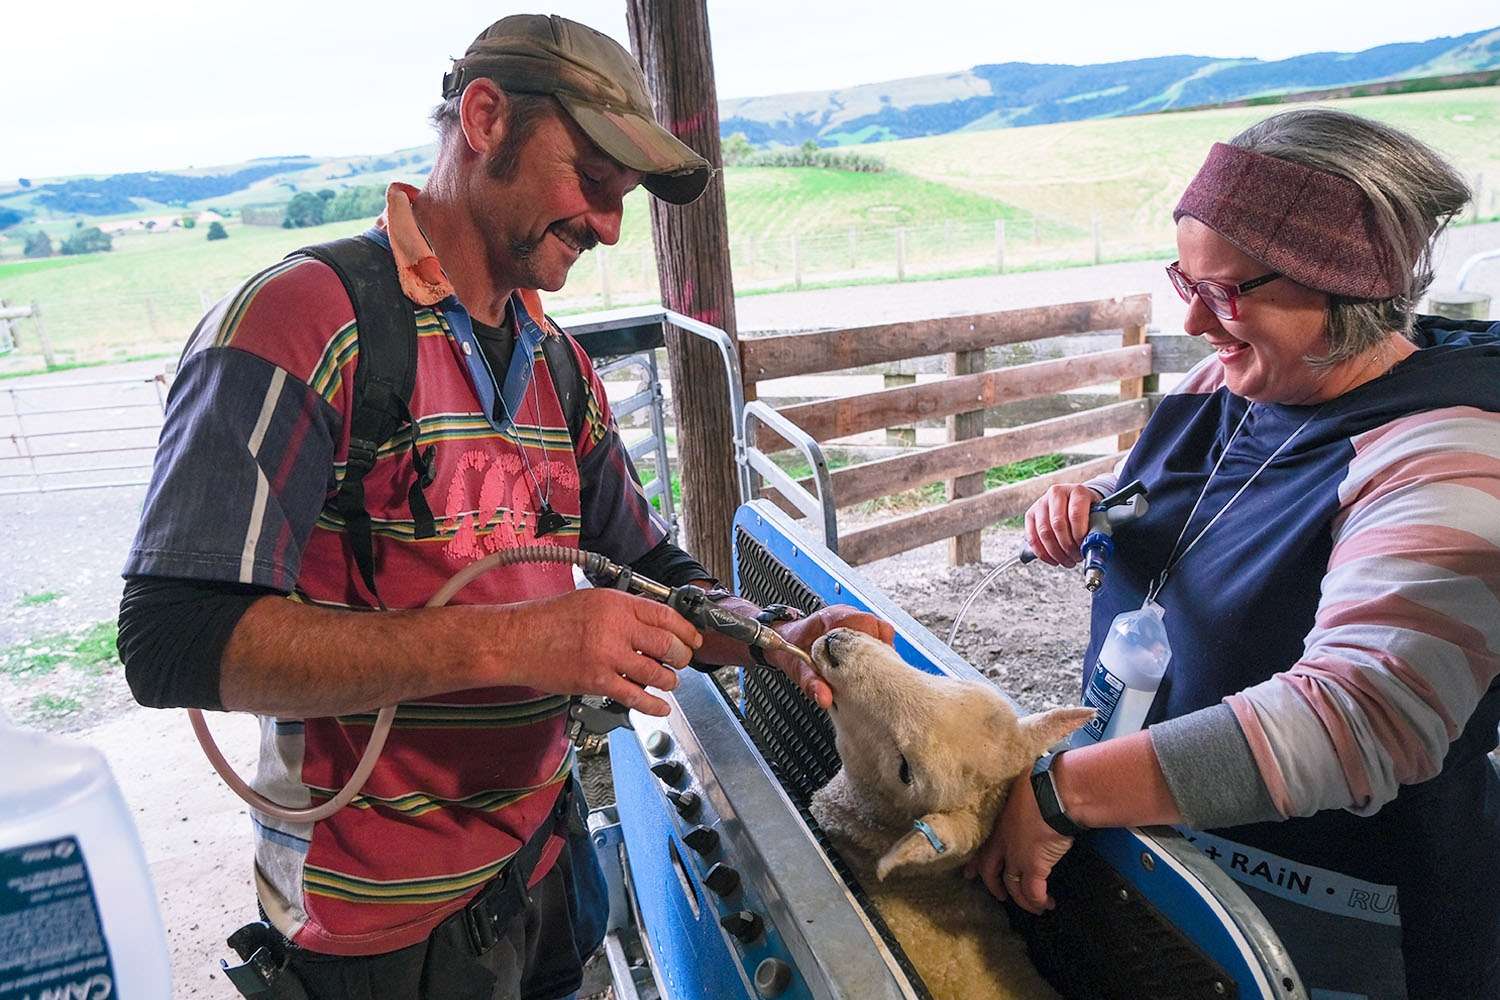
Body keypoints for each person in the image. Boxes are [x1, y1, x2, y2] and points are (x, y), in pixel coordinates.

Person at [116, 14, 890, 1000]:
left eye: (623, 199)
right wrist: (514, 644)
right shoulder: (304, 322)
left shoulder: (556, 365)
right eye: (594, 183)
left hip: (541, 857)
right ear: (485, 118)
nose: (611, 226)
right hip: (376, 926)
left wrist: (779, 633)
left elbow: (657, 571)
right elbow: (170, 639)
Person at [966, 108, 1500, 999]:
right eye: (1185, 277)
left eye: (1224, 290)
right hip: (1171, 843)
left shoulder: (1446, 458)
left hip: (1328, 911)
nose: (1191, 317)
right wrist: (1102, 502)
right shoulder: (1236, 380)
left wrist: (1062, 791)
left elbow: (1357, 718)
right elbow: (1221, 502)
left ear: (1343, 283)